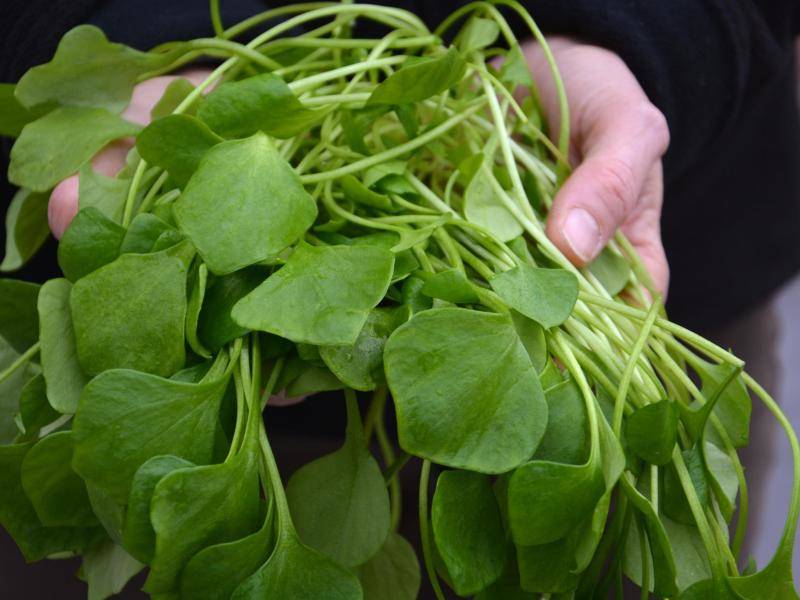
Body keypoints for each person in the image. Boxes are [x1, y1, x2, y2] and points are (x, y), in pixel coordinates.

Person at [1, 0, 798, 596]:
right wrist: (127, 34)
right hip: (146, 373)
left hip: (663, 283)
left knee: (651, 523)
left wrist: (651, 34)